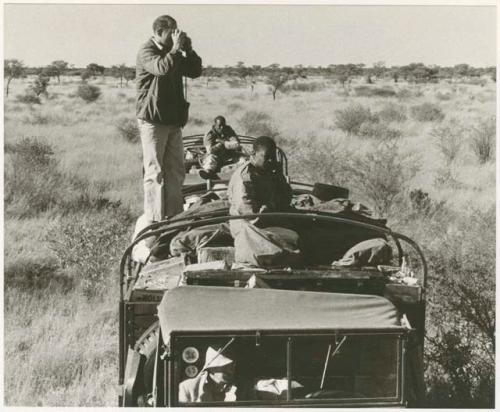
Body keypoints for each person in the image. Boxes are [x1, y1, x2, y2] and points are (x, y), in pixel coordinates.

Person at [136, 15, 202, 227]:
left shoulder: (170, 52)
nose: (175, 35)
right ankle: (155, 220)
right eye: (171, 31)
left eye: (177, 31)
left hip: (172, 120)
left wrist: (188, 51)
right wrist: (175, 50)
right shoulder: (147, 51)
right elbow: (162, 68)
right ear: (158, 32)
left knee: (175, 170)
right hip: (153, 120)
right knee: (155, 171)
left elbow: (194, 71)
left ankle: (173, 218)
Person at [227, 136, 292, 237]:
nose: (271, 161)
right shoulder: (245, 179)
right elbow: (250, 215)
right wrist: (272, 206)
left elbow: (287, 198)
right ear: (253, 153)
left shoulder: (267, 170)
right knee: (294, 237)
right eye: (267, 157)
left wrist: (280, 176)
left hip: (268, 217)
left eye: (273, 157)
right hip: (247, 227)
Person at [198, 116, 242, 180]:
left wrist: (223, 142)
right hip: (216, 156)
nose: (222, 128)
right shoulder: (210, 134)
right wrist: (220, 144)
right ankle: (207, 173)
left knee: (243, 159)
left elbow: (236, 144)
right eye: (219, 126)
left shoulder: (228, 130)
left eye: (223, 125)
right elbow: (210, 150)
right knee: (211, 159)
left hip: (228, 155)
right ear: (215, 125)